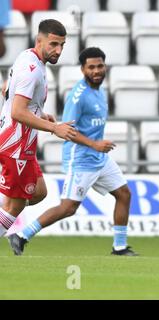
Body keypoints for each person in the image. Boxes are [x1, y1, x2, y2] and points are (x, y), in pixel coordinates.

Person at [8, 47, 138, 257]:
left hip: (100, 158)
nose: (97, 71)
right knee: (68, 208)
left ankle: (120, 247)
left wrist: (97, 148)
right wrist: (95, 144)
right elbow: (67, 130)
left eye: (100, 66)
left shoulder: (100, 90)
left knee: (124, 194)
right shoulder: (77, 97)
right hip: (80, 159)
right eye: (91, 67)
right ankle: (21, 235)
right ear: (83, 70)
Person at [0, 19, 76, 238]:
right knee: (15, 206)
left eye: (62, 45)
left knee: (38, 192)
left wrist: (39, 113)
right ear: (39, 40)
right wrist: (53, 127)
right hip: (15, 145)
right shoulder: (32, 70)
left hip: (23, 145)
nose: (58, 50)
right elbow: (17, 112)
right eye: (53, 44)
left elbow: (9, 91)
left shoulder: (28, 57)